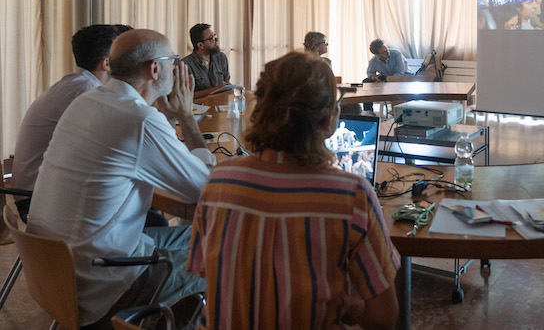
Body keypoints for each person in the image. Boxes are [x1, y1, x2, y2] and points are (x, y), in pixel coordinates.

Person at [188, 52, 400, 330]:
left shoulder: (219, 180)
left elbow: (209, 273)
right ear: (328, 123)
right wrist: (346, 302)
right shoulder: (353, 195)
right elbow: (383, 318)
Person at [26, 29, 215, 329]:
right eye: (173, 60)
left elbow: (134, 150)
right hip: (105, 283)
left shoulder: (88, 102)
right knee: (229, 255)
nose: (178, 67)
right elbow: (208, 190)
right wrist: (187, 118)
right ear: (155, 69)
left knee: (208, 238)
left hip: (60, 271)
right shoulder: (138, 118)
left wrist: (166, 118)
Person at [12, 24, 131, 214]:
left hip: (38, 192)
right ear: (107, 63)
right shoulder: (86, 91)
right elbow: (115, 147)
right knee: (140, 209)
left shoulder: (77, 84)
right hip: (39, 201)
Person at [182, 23, 230, 99]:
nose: (216, 40)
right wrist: (215, 89)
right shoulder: (185, 64)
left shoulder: (221, 58)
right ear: (200, 45)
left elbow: (226, 84)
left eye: (215, 36)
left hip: (221, 105)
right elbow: (185, 95)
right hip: (198, 108)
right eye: (211, 38)